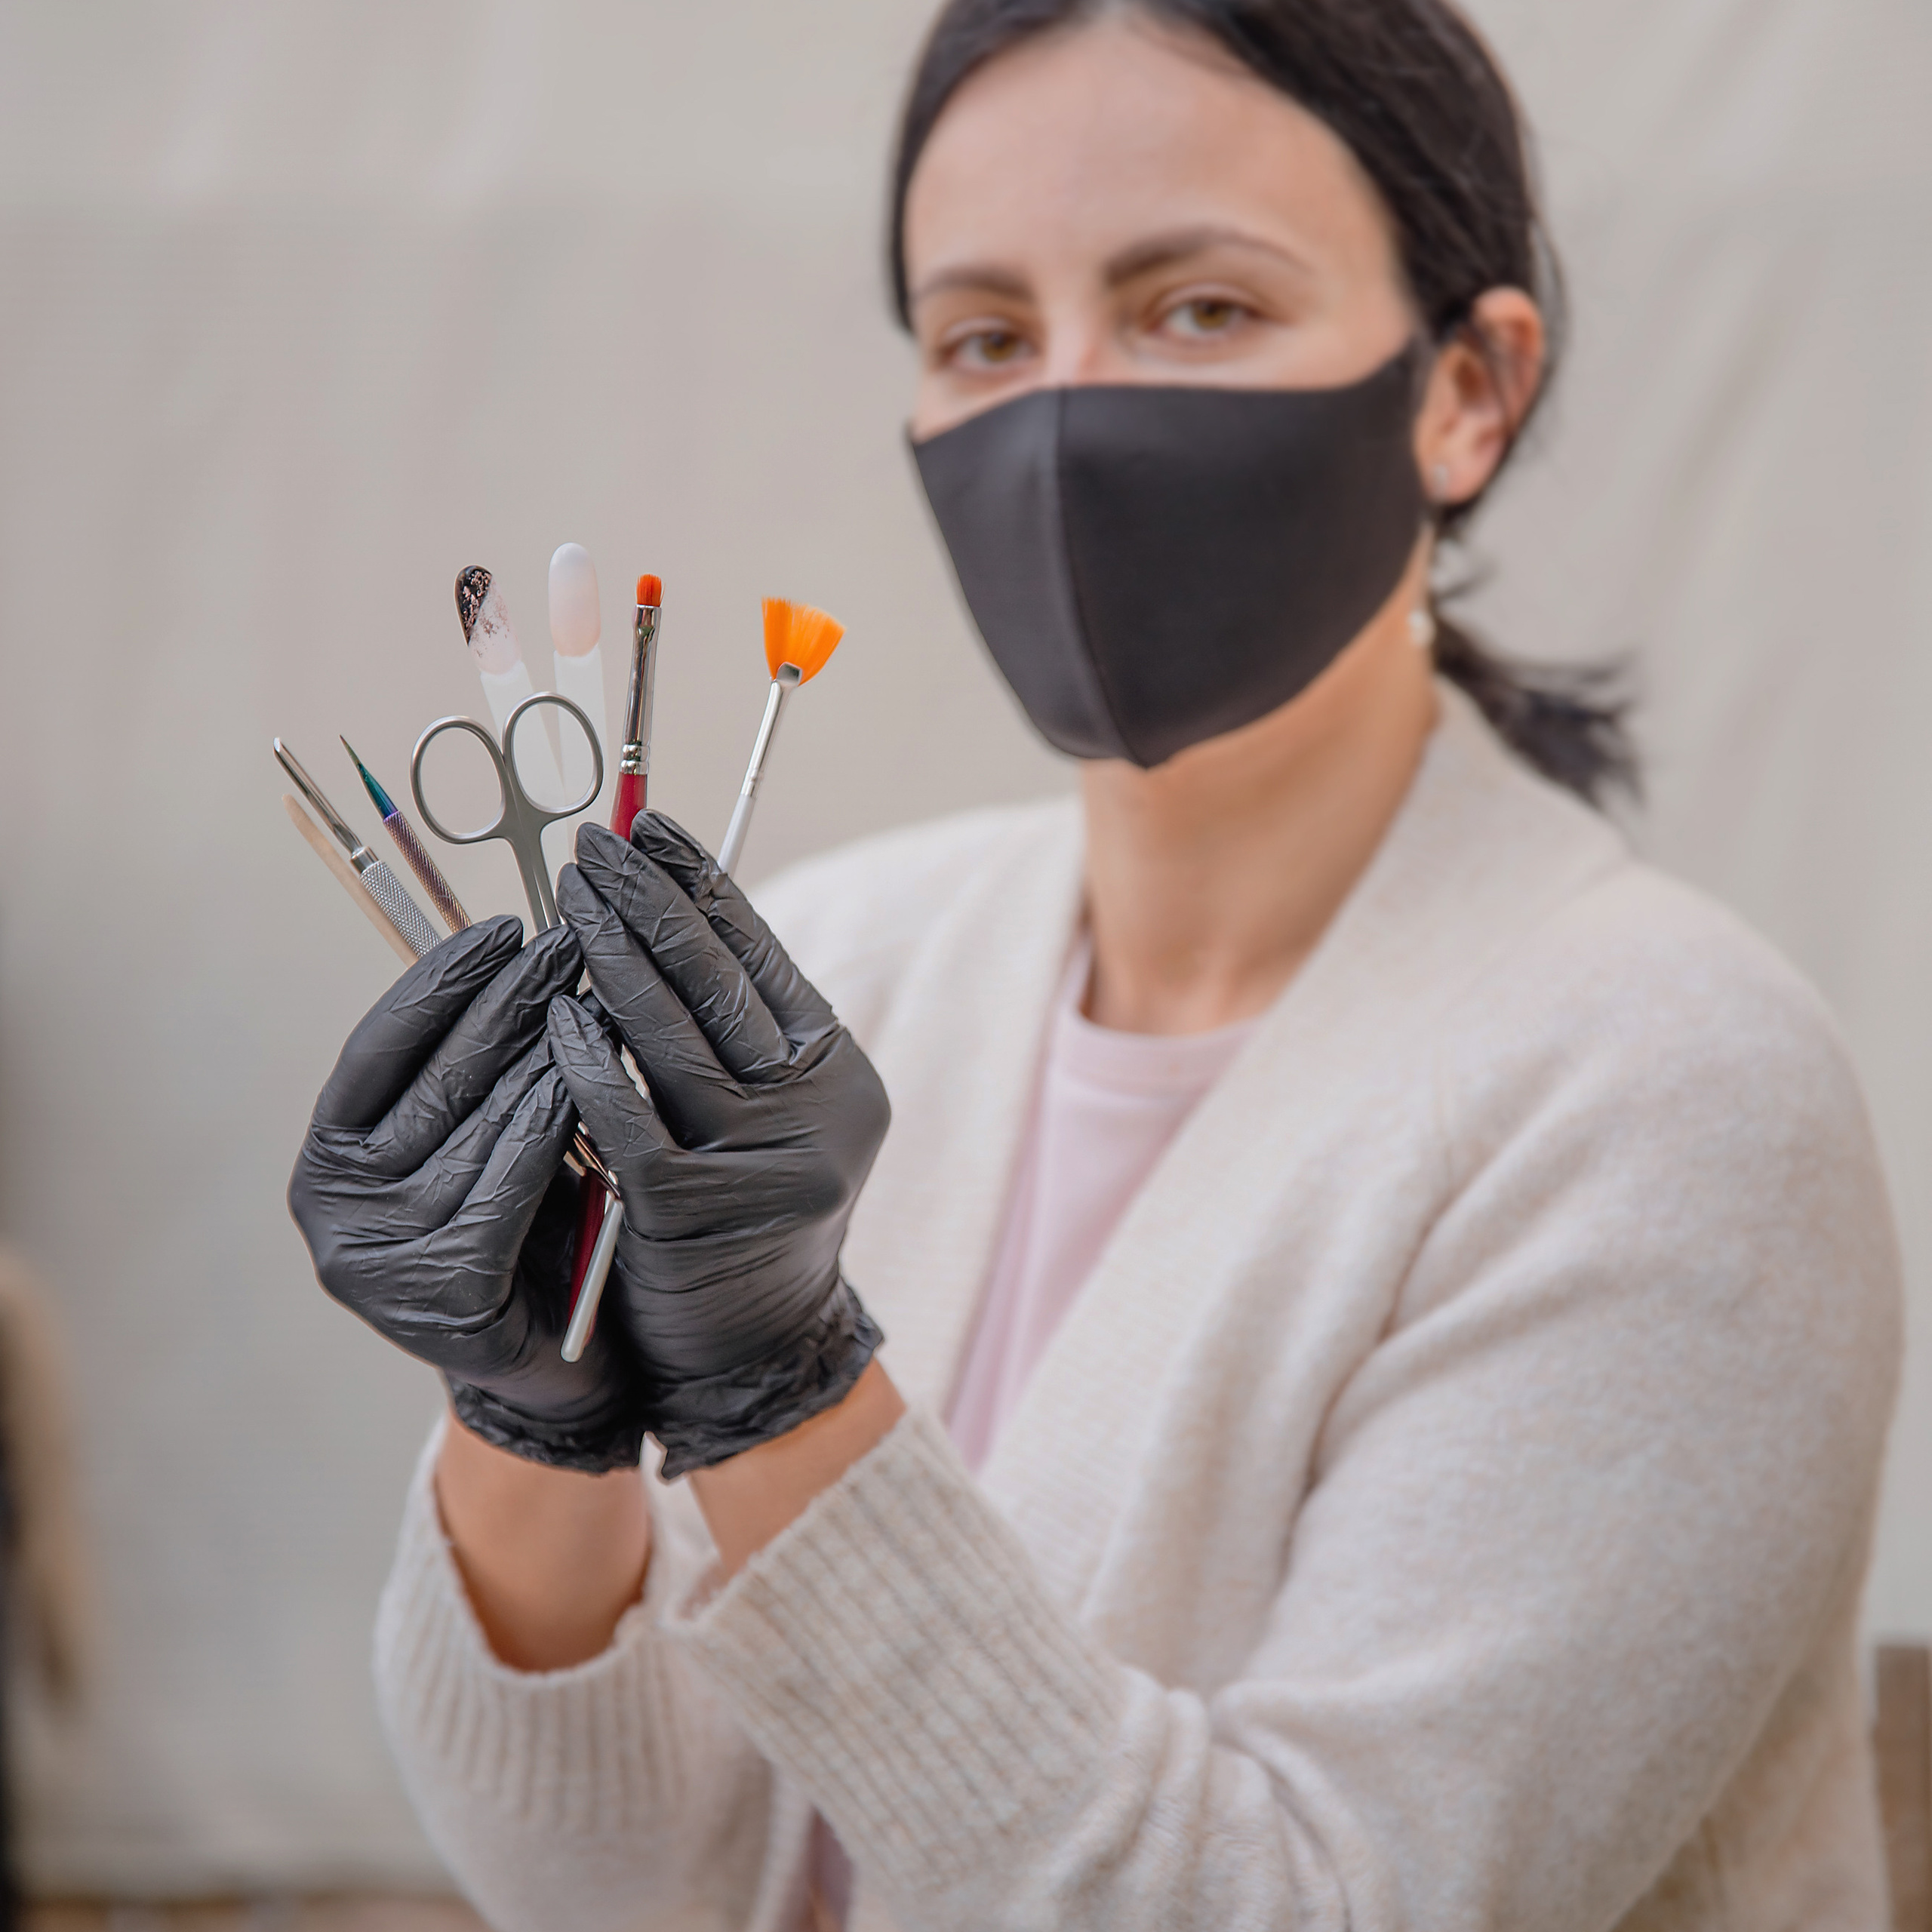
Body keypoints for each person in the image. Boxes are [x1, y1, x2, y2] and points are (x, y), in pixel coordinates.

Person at [288, 2, 1903, 1927]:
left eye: (1197, 306)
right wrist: (527, 1418)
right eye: (981, 333)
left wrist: (787, 1396)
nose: (1063, 419)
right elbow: (624, 1884)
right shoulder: (849, 962)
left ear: (1464, 386)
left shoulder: (1663, 1086)